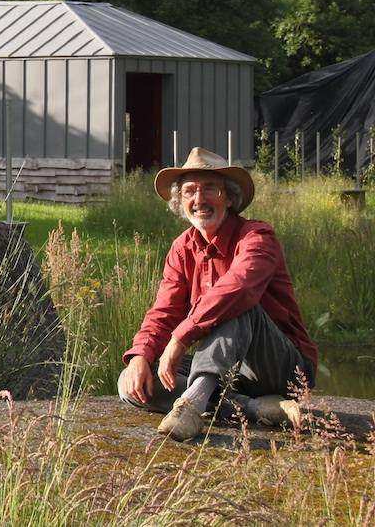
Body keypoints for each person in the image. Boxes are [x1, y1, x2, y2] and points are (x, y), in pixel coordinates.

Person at [118, 147, 318, 441]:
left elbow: (239, 288)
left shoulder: (258, 236)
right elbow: (164, 311)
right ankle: (252, 408)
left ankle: (193, 405)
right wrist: (140, 356)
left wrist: (180, 337)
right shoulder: (182, 248)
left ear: (229, 196)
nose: (199, 200)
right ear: (179, 201)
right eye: (189, 192)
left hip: (281, 370)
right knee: (133, 384)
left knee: (234, 305)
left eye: (209, 188)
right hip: (228, 372)